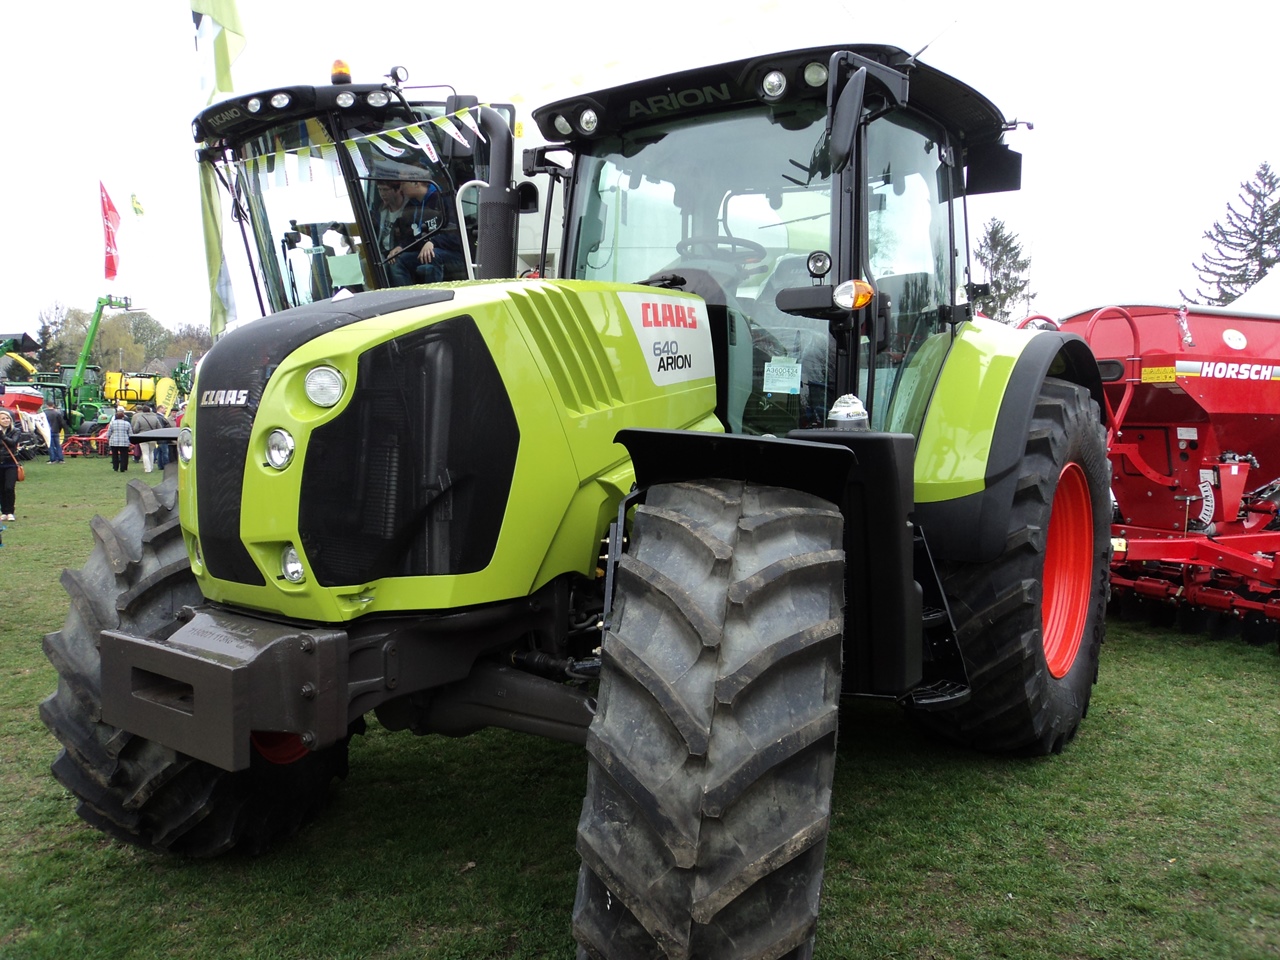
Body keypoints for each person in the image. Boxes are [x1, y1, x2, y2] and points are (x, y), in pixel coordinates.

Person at [387, 179, 467, 285]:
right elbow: (412, 234)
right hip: (423, 252)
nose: (401, 188)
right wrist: (401, 247)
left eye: (403, 184)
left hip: (453, 254)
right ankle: (407, 293)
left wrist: (433, 242)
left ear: (416, 183)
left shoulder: (444, 200)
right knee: (397, 261)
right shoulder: (411, 207)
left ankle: (433, 294)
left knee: (432, 255)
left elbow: (456, 235)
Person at [0, 408, 20, 521]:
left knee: (9, 487)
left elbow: (12, 443)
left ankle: (10, 512)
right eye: (3, 418)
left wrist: (2, 435)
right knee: (1, 489)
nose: (6, 420)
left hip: (11, 463)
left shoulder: (15, 431)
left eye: (7, 418)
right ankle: (4, 512)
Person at [131, 404, 162, 473]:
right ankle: (151, 467)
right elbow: (159, 427)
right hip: (153, 436)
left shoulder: (140, 418)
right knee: (151, 452)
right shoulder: (155, 418)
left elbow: (135, 429)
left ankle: (147, 469)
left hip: (143, 436)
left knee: (145, 453)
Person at [106, 407, 132, 473]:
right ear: (123, 417)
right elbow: (130, 433)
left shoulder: (112, 423)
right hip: (124, 441)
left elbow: (109, 432)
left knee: (114, 455)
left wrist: (108, 438)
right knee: (124, 455)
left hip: (114, 441)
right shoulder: (127, 423)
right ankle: (123, 468)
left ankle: (115, 467)